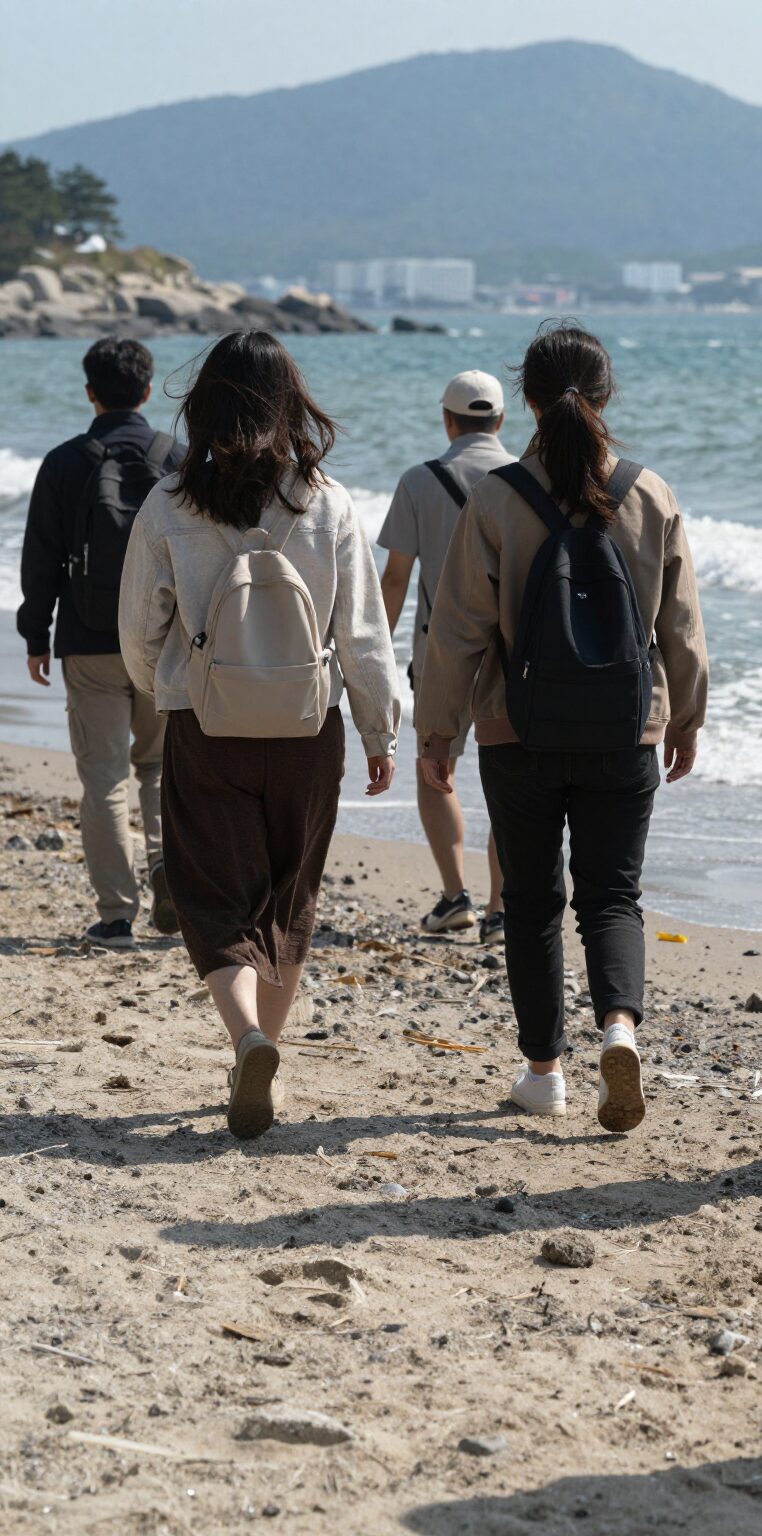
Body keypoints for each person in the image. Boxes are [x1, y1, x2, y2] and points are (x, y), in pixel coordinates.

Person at [418, 321, 707, 1131]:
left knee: (536, 902)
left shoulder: (498, 498)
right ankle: (620, 1029)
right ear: (605, 394)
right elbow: (681, 626)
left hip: (520, 731)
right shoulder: (650, 494)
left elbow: (458, 629)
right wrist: (684, 716)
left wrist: (438, 733)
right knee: (614, 894)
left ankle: (544, 1072)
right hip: (624, 728)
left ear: (531, 402)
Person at [119, 331, 401, 1140]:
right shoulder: (329, 503)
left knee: (215, 893)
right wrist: (380, 727)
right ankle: (266, 1046)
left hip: (208, 724)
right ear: (290, 404)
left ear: (205, 403)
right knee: (289, 893)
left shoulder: (170, 504)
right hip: (308, 728)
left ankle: (243, 1039)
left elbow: (141, 630)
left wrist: (167, 688)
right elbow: (363, 635)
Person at [17, 338, 184, 948]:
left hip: (88, 639)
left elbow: (41, 558)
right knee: (162, 769)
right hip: (165, 641)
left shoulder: (65, 462)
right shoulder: (177, 457)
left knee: (105, 777)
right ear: (147, 389)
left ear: (90, 391)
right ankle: (169, 867)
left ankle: (117, 914)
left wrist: (36, 634)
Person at [378, 371, 513, 944]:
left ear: (448, 420)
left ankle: (455, 896)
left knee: (437, 770)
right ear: (502, 420)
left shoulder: (418, 480)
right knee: (513, 777)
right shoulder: (525, 478)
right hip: (513, 652)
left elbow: (395, 578)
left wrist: (374, 652)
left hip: (439, 648)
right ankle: (502, 908)